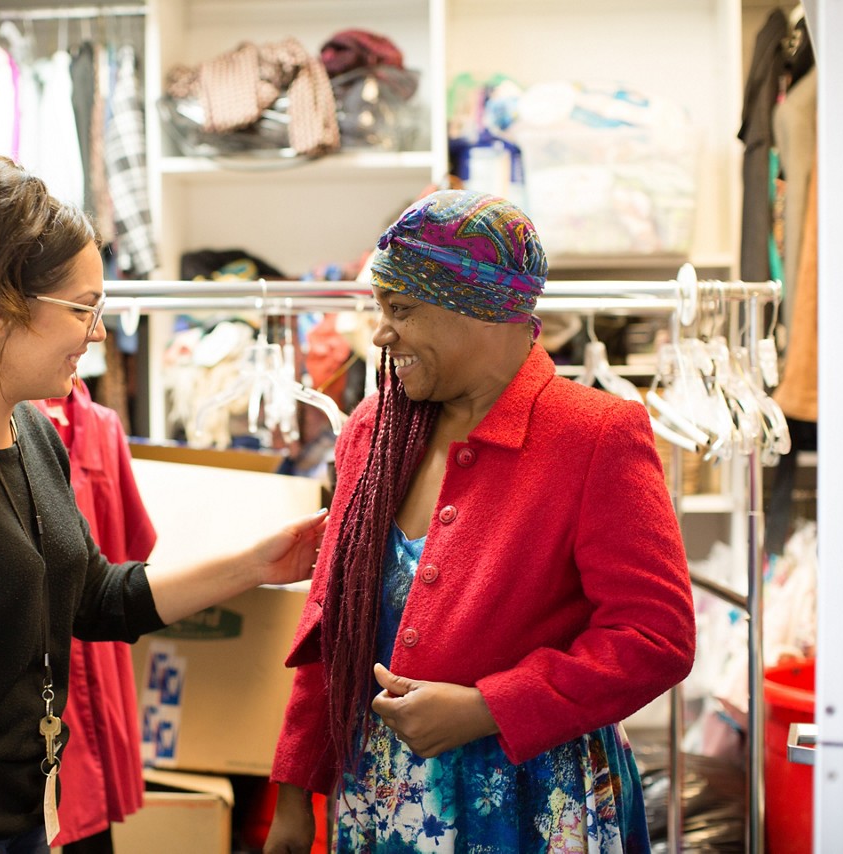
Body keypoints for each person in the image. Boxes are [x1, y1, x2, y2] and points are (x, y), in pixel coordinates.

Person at [0, 153, 327, 854]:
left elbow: (95, 596)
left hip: (24, 819)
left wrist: (257, 563)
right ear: (3, 310)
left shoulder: (32, 428)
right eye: (84, 310)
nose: (98, 334)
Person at [265, 190, 696, 853]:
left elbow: (654, 636)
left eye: (401, 310)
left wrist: (490, 707)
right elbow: (330, 623)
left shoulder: (595, 434)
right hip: (381, 796)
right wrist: (293, 797)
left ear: (483, 311)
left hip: (535, 804)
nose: (382, 334)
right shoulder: (372, 432)